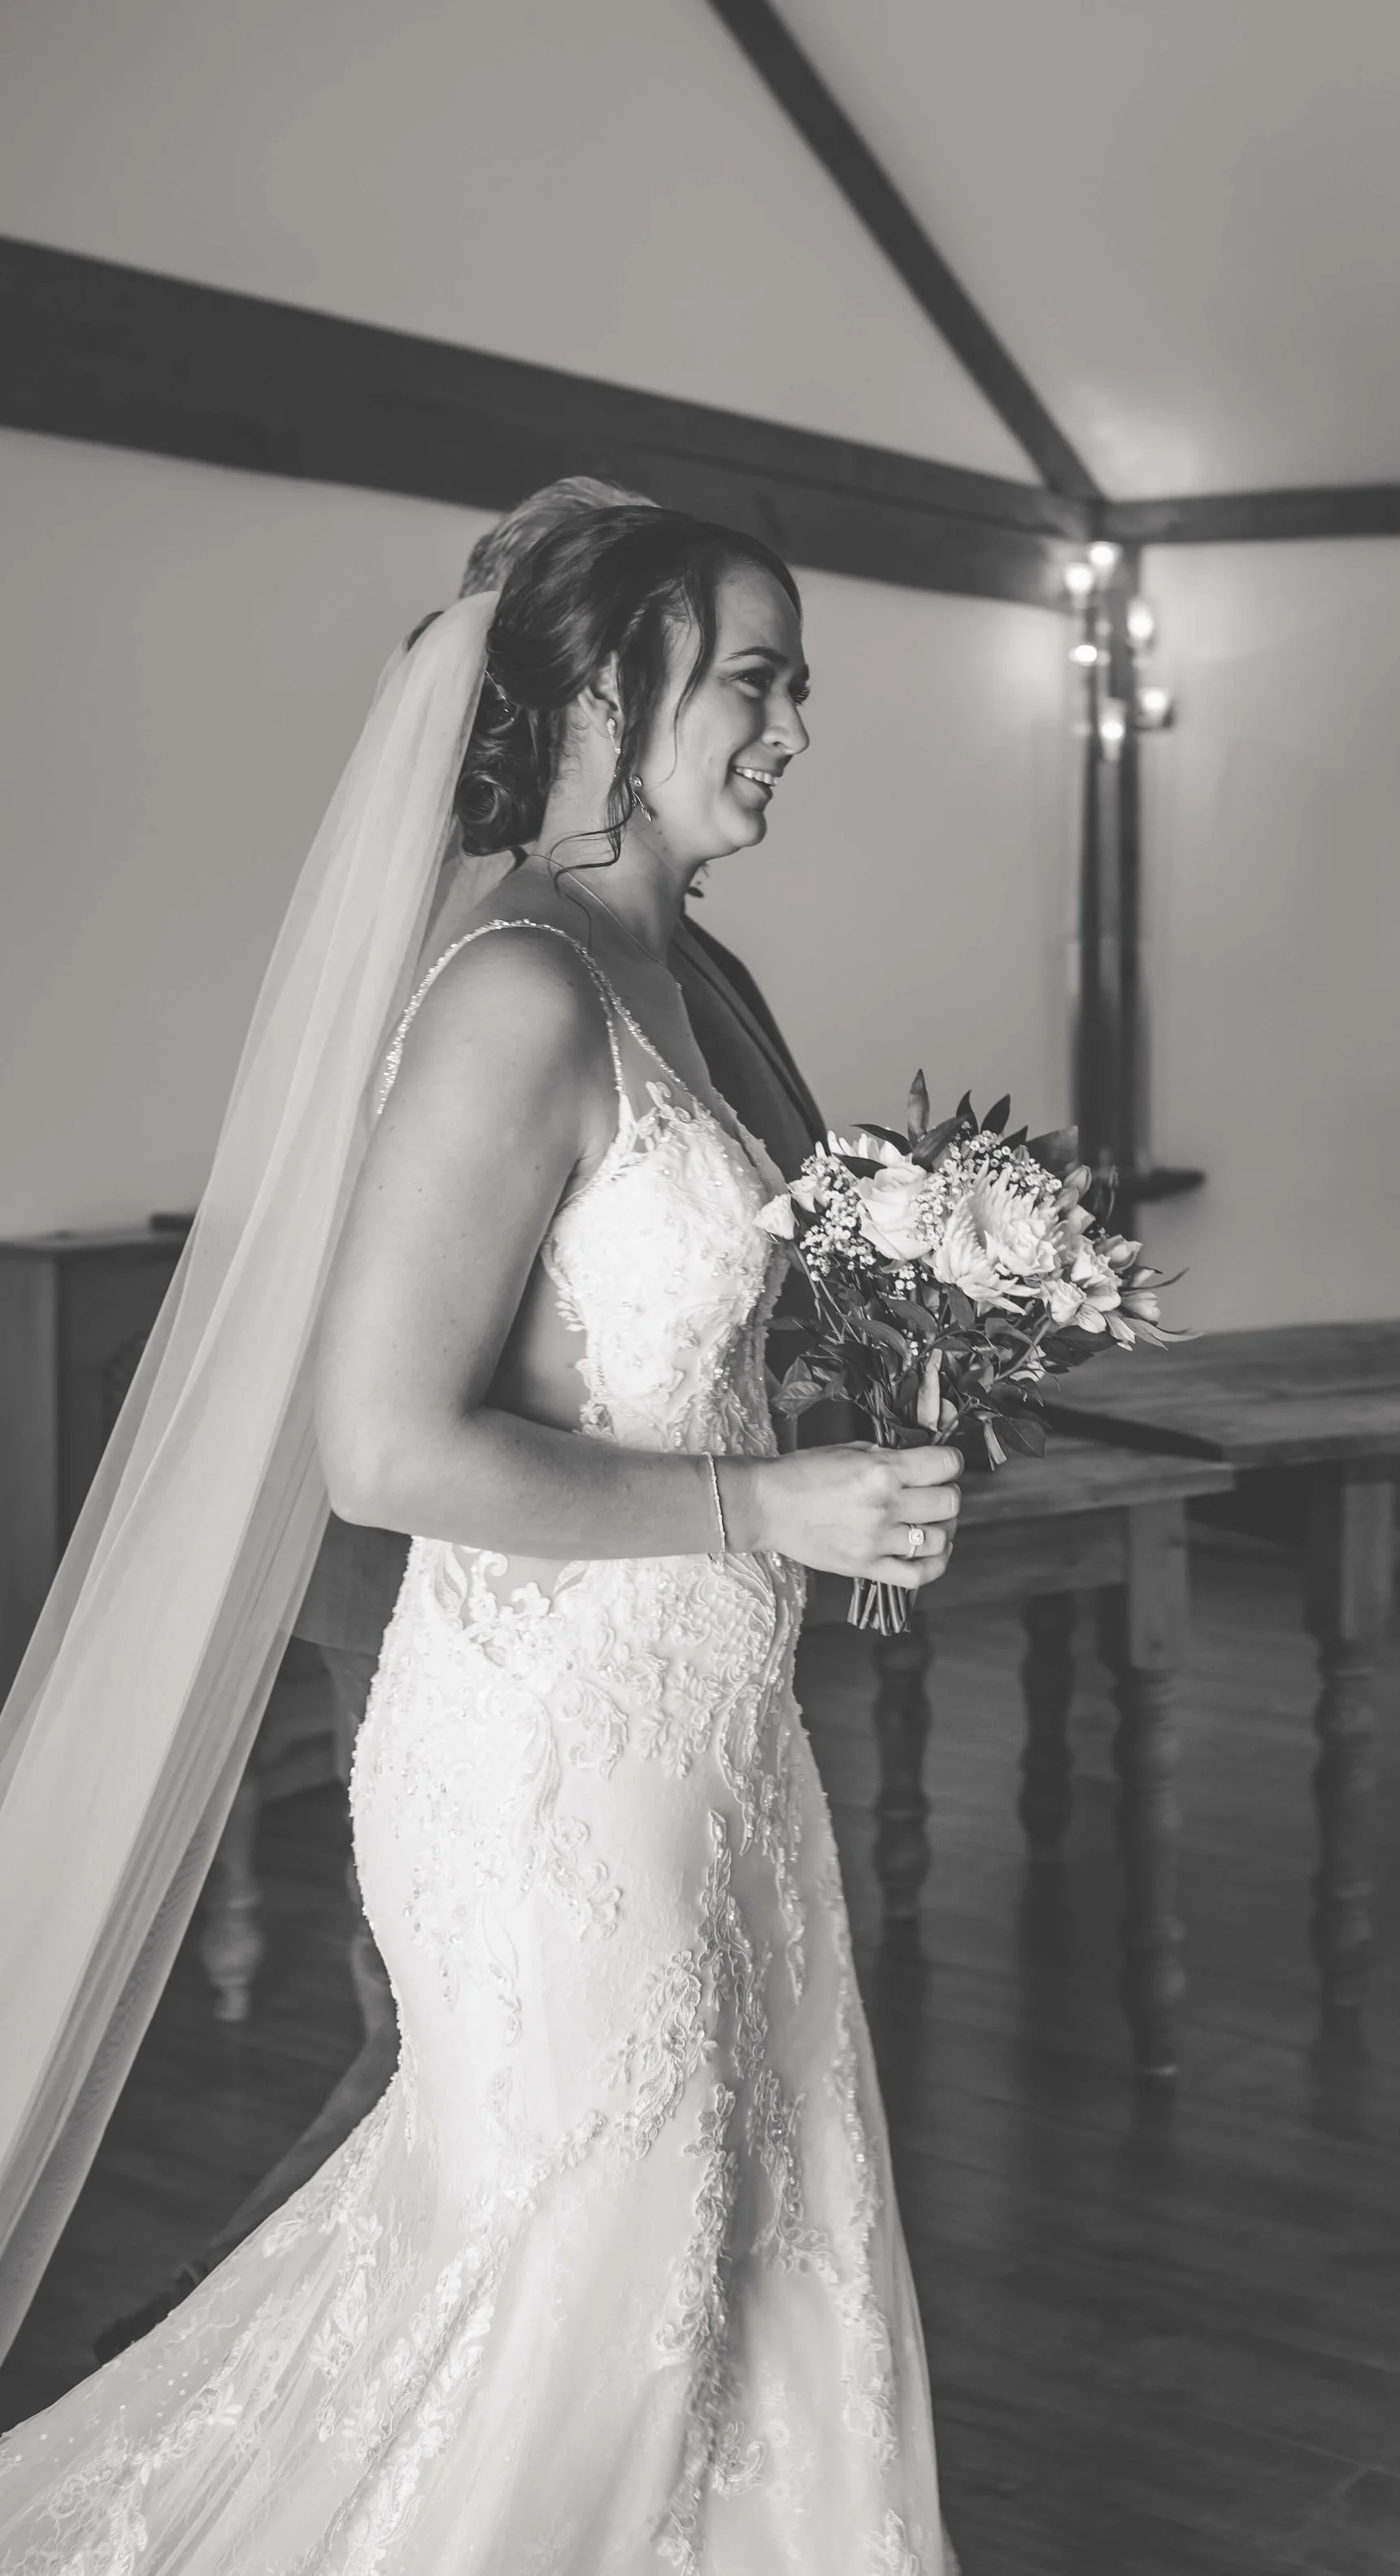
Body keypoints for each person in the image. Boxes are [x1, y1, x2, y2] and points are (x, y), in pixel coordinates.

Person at [0, 502, 963, 2569]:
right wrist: (766, 1504)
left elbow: (677, 1344)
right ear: (603, 696)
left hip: (711, 1729)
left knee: (746, 2244)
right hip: (543, 1759)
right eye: (754, 678)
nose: (792, 723)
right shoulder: (519, 986)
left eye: (797, 685)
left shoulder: (685, 968)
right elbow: (380, 1449)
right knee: (580, 2282)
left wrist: (857, 1447)